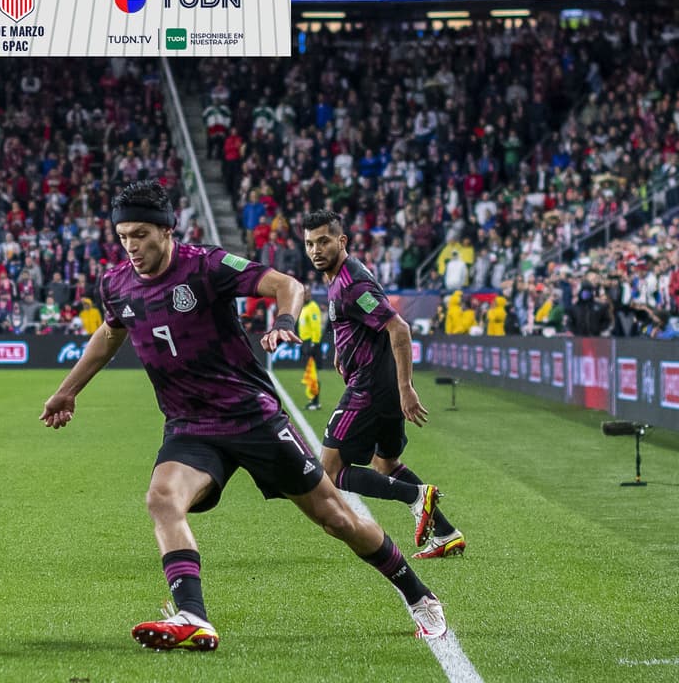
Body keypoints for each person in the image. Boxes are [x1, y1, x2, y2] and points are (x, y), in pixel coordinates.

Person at [41, 181, 447, 652]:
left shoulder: (205, 265)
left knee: (335, 517)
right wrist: (67, 391)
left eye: (141, 234)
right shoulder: (116, 284)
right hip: (190, 425)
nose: (131, 245)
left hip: (251, 417)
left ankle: (420, 596)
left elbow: (286, 285)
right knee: (162, 499)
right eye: (124, 235)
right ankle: (193, 614)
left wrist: (284, 322)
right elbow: (110, 334)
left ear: (167, 231)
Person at [303, 209, 465, 559]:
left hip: (372, 386)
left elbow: (399, 328)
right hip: (380, 382)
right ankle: (447, 533)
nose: (316, 249)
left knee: (330, 471)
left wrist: (406, 387)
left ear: (341, 240)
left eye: (324, 241)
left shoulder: (351, 283)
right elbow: (357, 324)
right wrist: (340, 352)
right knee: (386, 464)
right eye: (310, 243)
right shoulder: (340, 276)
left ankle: (415, 497)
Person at [298, 296, 324, 410]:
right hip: (305, 342)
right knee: (310, 372)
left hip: (311, 343)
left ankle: (315, 401)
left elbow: (316, 326)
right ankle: (313, 399)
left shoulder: (313, 307)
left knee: (313, 373)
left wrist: (314, 343)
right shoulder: (305, 307)